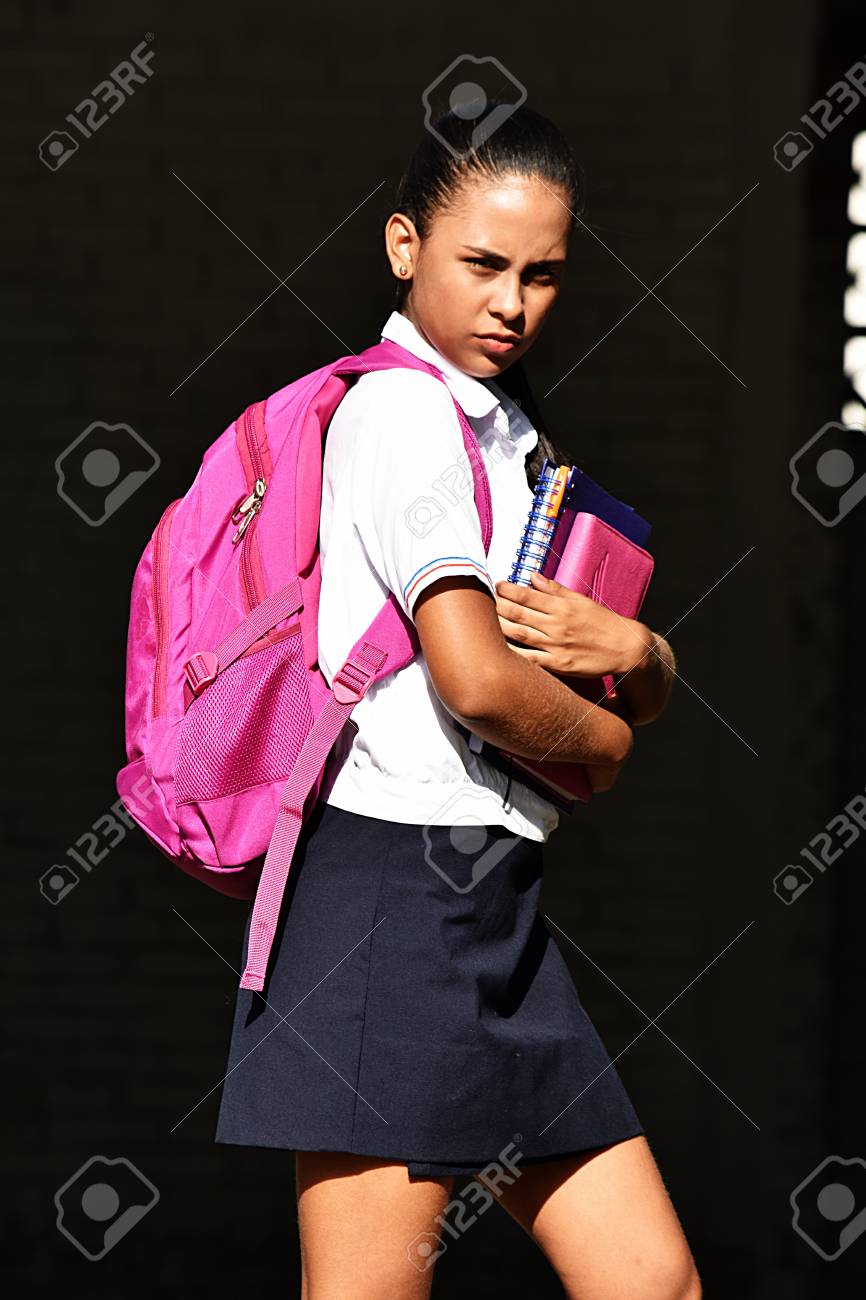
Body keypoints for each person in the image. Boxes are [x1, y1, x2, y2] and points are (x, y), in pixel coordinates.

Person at [215, 102, 700, 1299]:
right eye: (481, 263)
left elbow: (588, 660)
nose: (511, 302)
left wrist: (641, 655)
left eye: (541, 273)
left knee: (652, 1282)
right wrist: (611, 747)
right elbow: (477, 680)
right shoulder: (402, 414)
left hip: (494, 907)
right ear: (402, 247)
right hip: (384, 901)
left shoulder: (509, 434)